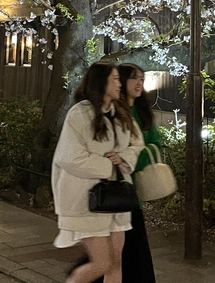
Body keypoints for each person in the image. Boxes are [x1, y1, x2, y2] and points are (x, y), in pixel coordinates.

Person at [52, 61, 143, 283]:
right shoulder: (80, 114)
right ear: (101, 82)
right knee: (102, 263)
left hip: (115, 199)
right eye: (114, 79)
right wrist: (107, 165)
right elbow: (69, 157)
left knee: (115, 261)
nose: (119, 84)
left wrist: (123, 158)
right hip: (86, 199)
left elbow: (136, 144)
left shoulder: (119, 113)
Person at [117, 64, 161, 283]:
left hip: (135, 189)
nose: (139, 83)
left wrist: (134, 158)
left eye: (141, 79)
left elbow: (155, 143)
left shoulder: (142, 111)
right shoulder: (114, 110)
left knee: (134, 244)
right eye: (133, 78)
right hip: (117, 186)